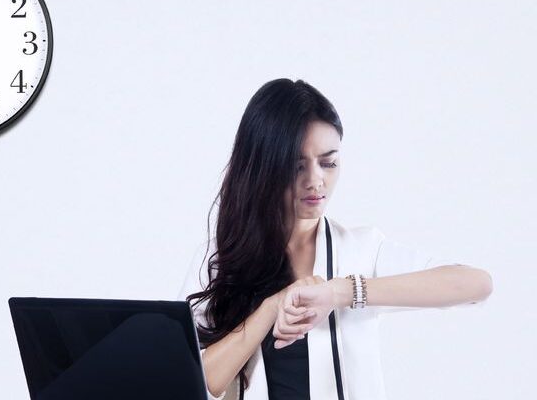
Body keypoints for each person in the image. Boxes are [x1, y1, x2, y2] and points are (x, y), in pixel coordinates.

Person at [178, 79, 493, 400]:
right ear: (264, 166)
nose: (316, 180)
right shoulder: (220, 257)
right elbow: (197, 379)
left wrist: (342, 292)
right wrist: (271, 308)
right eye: (296, 166)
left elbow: (476, 285)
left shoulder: (360, 249)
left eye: (328, 162)